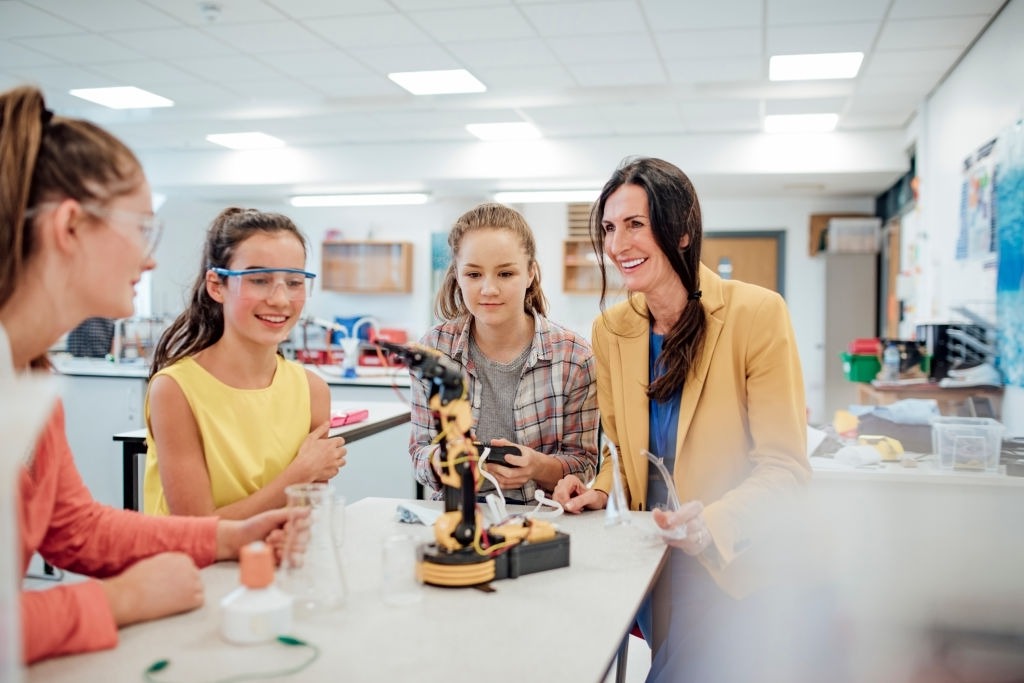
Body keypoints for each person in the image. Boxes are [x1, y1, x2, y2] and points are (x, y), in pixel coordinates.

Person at [0, 85, 291, 665]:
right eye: (141, 230)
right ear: (70, 227)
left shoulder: (29, 376)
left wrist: (227, 538)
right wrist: (117, 601)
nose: (151, 259)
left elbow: (75, 528)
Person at [552, 157, 815, 681]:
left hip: (730, 565)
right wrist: (599, 489)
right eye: (608, 227)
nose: (618, 244)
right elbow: (620, 453)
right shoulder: (611, 330)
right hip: (651, 562)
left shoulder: (756, 315)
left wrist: (710, 526)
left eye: (635, 224)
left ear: (684, 229)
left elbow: (786, 469)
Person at [143, 207, 345, 519]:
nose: (280, 299)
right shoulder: (175, 390)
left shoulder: (312, 390)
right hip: (192, 567)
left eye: (294, 282)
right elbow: (195, 528)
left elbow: (306, 513)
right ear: (216, 286)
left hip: (281, 561)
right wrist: (298, 474)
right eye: (259, 280)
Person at [410, 202, 599, 503]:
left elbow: (585, 465)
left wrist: (536, 466)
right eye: (473, 275)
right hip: (456, 520)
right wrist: (443, 461)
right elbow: (420, 453)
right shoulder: (433, 351)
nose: (489, 289)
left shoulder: (574, 357)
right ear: (457, 275)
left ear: (530, 274)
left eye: (505, 274)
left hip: (541, 522)